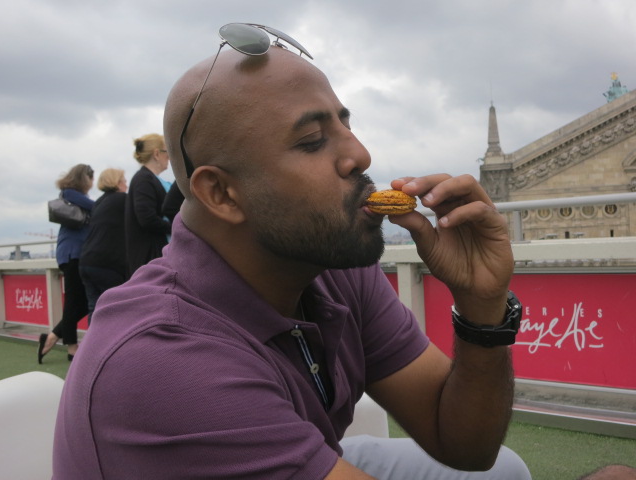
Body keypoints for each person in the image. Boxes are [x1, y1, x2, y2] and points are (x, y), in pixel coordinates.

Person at [54, 25, 633, 479]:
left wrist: (482, 310)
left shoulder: (330, 268)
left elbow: (465, 445)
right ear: (221, 193)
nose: (359, 153)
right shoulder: (161, 361)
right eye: (312, 141)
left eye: (345, 125)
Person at [38, 164, 94, 364]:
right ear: (83, 178)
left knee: (81, 303)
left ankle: (53, 336)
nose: (92, 183)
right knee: (73, 302)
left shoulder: (73, 196)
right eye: (90, 178)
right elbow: (97, 208)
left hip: (75, 254)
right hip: (73, 254)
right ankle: (72, 348)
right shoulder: (72, 194)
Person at [78, 168, 128, 324]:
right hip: (108, 264)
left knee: (95, 310)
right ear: (118, 182)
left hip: (87, 261)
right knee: (116, 311)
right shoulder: (122, 200)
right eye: (124, 180)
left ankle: (92, 347)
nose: (126, 184)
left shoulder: (99, 202)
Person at [125, 133, 171, 275]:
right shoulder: (144, 180)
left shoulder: (148, 179)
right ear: (156, 154)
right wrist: (175, 227)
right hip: (150, 255)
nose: (169, 157)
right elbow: (147, 218)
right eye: (166, 152)